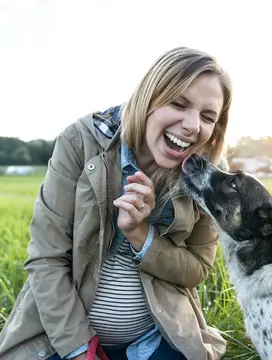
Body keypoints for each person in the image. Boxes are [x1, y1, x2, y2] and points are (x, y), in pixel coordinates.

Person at [0, 46, 232, 360]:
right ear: (149, 97)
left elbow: (196, 270)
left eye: (207, 117)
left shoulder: (208, 178)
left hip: (156, 338)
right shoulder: (80, 142)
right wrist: (81, 350)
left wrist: (141, 234)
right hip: (63, 339)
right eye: (179, 103)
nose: (193, 125)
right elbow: (46, 258)